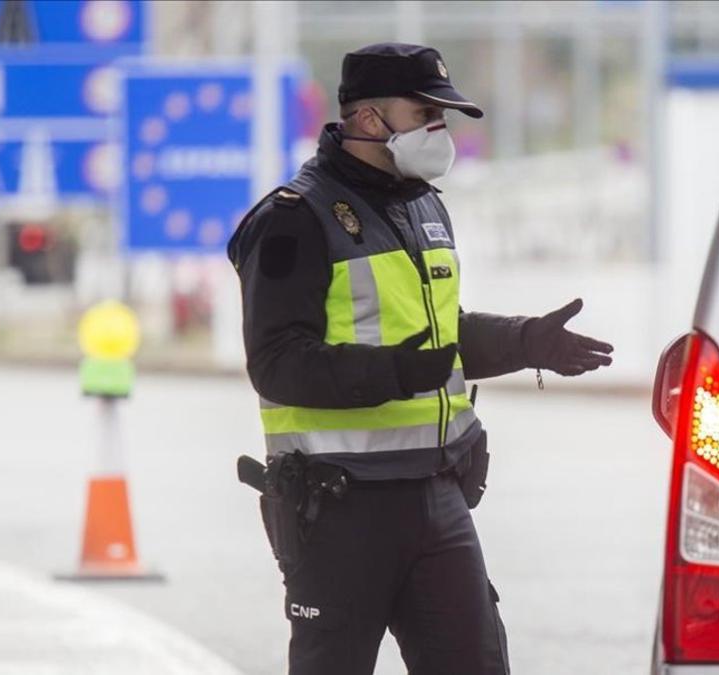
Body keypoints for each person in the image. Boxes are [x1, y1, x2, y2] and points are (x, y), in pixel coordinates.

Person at [227, 43, 614, 675]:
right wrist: (393, 375)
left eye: (443, 115)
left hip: (437, 498)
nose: (439, 129)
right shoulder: (293, 220)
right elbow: (276, 362)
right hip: (340, 508)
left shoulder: (424, 205)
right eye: (424, 113)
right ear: (369, 119)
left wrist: (524, 342)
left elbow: (440, 337)